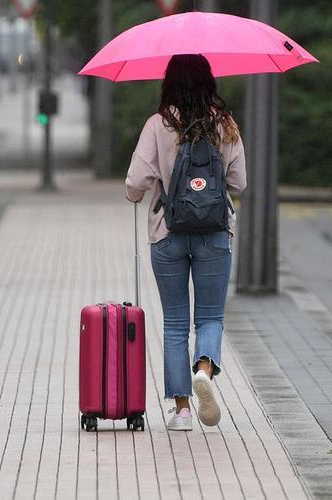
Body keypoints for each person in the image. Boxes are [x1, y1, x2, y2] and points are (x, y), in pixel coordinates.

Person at [125, 54, 246, 431]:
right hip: (213, 232)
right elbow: (239, 182)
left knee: (175, 323)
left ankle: (181, 412)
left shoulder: (158, 124)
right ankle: (205, 370)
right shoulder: (224, 125)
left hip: (168, 231)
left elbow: (135, 182)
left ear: (169, 82)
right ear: (209, 82)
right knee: (210, 317)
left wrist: (138, 193)